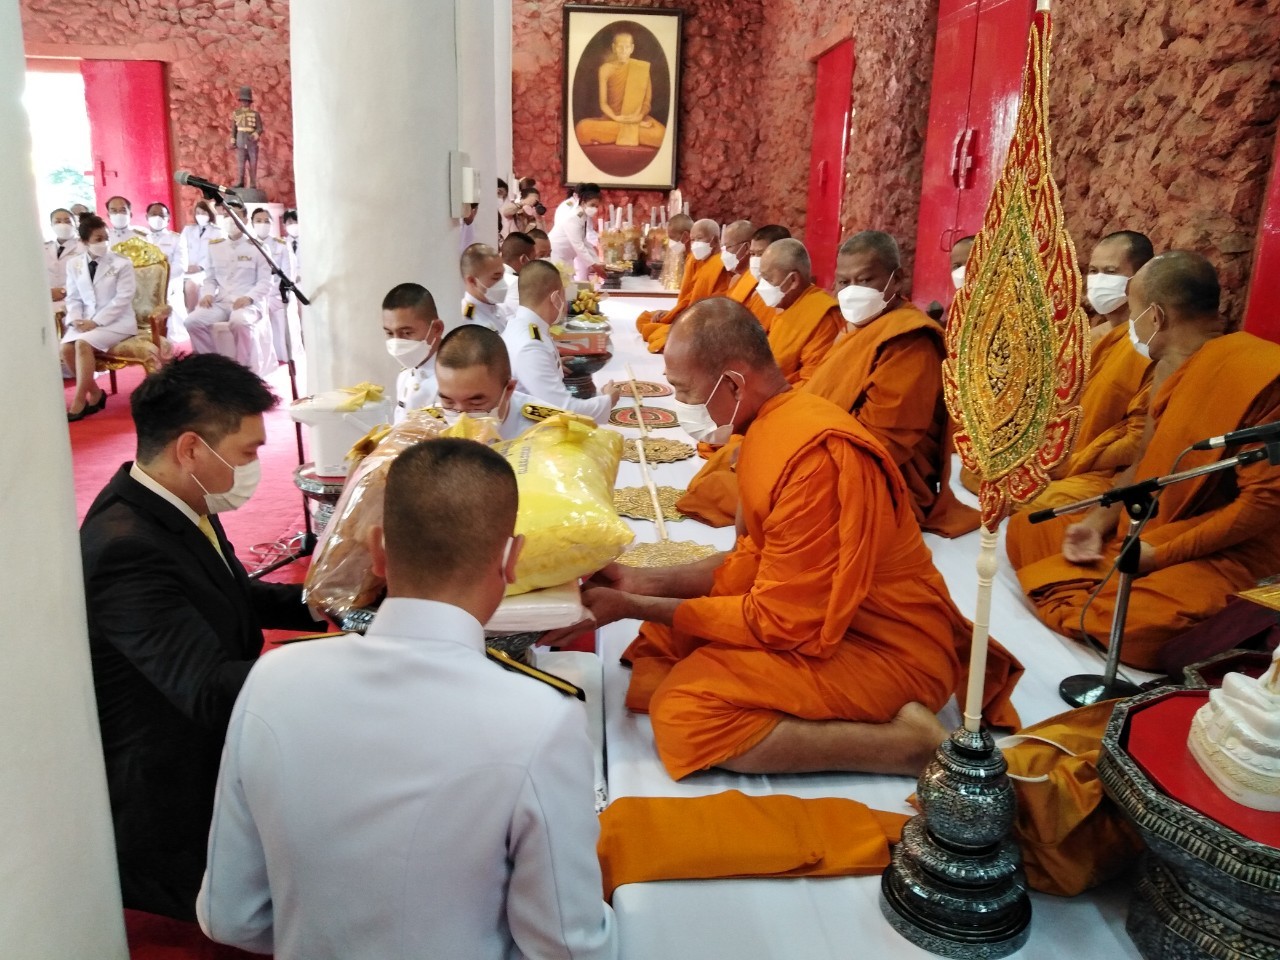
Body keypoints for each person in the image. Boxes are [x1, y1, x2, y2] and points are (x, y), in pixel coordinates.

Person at [553, 299, 1019, 780]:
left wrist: (632, 606)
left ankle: (905, 747)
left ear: (733, 383)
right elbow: (752, 561)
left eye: (685, 391)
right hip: (828, 621)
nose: (681, 405)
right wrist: (641, 581)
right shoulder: (772, 424)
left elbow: (782, 622)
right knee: (673, 638)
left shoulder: (817, 458)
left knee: (686, 713)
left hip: (888, 649)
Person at [196, 438, 617, 959]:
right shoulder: (539, 721)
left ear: (377, 550)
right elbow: (568, 947)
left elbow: (230, 915)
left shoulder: (273, 680)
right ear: (512, 560)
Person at [81, 353, 324, 919]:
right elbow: (209, 690)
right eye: (248, 452)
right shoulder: (125, 546)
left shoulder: (178, 499)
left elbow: (236, 597)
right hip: (174, 799)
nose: (255, 466)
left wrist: (335, 603)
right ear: (191, 449)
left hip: (215, 743)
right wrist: (336, 667)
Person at [1008, 251, 1280, 670]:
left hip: (1225, 548)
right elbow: (1143, 464)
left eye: (1133, 312)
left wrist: (1160, 554)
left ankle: (1087, 599)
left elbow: (1261, 507)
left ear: (1155, 315)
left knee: (1141, 622)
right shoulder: (1167, 366)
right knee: (1029, 525)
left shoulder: (1261, 376)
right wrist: (1101, 520)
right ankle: (1089, 591)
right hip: (1148, 524)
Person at [1006, 230, 1156, 513]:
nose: (1098, 281)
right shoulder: (1088, 335)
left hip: (1100, 470)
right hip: (1059, 453)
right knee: (986, 470)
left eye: (1110, 272)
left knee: (1040, 504)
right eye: (1093, 271)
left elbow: (1137, 441)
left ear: (1140, 277)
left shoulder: (1150, 346)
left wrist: (1073, 463)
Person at [503, 259, 622, 423]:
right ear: (555, 297)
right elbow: (561, 409)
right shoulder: (531, 345)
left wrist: (553, 364)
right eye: (565, 295)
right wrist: (608, 400)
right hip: (529, 433)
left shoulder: (519, 326)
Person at [185, 199, 277, 375]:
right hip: (222, 301)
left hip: (249, 301)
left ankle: (243, 370)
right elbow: (210, 278)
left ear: (245, 220)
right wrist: (208, 294)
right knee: (192, 321)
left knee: (239, 322)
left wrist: (249, 297)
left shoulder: (258, 247)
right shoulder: (215, 246)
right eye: (226, 215)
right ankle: (211, 365)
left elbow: (265, 282)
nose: (230, 219)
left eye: (235, 215)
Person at [61, 214, 137, 420]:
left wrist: (96, 322)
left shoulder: (122, 263)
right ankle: (95, 392)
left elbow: (123, 298)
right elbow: (73, 297)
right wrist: (76, 318)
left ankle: (78, 400)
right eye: (97, 239)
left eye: (105, 237)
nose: (103, 242)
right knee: (65, 348)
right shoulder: (74, 264)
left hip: (117, 322)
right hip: (86, 321)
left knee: (82, 344)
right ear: (85, 242)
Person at [434, 324, 558, 440]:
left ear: (509, 389)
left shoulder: (549, 429)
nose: (461, 419)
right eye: (448, 402)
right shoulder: (427, 426)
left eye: (475, 403)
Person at [753, 237, 842, 385]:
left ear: (793, 280)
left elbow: (813, 382)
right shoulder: (786, 306)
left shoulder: (821, 316)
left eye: (768, 279)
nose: (762, 286)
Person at [638, 217, 731, 351]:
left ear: (715, 240)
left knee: (652, 330)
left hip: (703, 323)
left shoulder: (720, 265)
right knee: (645, 319)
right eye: (693, 240)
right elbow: (690, 297)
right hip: (688, 315)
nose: (694, 244)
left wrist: (676, 317)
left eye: (699, 239)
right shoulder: (700, 260)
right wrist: (671, 314)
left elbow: (714, 305)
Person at [575, 29, 666, 149]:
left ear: (632, 48)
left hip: (636, 116)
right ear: (614, 48)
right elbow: (603, 104)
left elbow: (646, 103)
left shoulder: (641, 68)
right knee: (582, 129)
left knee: (662, 134)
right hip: (611, 118)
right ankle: (634, 129)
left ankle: (611, 134)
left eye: (627, 47)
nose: (623, 51)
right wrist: (617, 119)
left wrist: (638, 117)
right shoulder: (605, 69)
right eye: (620, 47)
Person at [382, 282, 445, 423]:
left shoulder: (458, 374)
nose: (397, 342)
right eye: (390, 333)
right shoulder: (405, 375)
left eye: (406, 332)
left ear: (437, 328)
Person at [727, 222, 788, 329]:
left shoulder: (781, 293)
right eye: (752, 254)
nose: (755, 259)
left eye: (761, 254)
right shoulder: (744, 279)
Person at [250, 206, 292, 361]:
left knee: (280, 313)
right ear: (252, 223)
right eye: (258, 221)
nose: (262, 224)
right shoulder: (248, 245)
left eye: (266, 221)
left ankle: (283, 354)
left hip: (276, 293)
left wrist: (274, 292)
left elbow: (287, 273)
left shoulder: (280, 244)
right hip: (255, 295)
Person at [142, 201, 190, 334]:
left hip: (169, 284)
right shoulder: (140, 238)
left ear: (168, 219)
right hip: (144, 283)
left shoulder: (176, 239)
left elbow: (181, 265)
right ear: (146, 217)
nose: (157, 217)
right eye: (153, 214)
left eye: (161, 215)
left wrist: (160, 279)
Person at [549, 183, 608, 281]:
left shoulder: (581, 215)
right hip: (557, 253)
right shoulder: (574, 217)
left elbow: (584, 241)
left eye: (597, 206)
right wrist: (594, 265)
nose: (595, 209)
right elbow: (578, 244)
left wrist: (597, 261)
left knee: (570, 283)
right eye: (592, 205)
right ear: (583, 202)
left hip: (567, 255)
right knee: (563, 284)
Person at [180, 200, 223, 312]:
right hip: (186, 269)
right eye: (198, 213)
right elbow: (181, 250)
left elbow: (216, 254)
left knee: (191, 285)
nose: (200, 216)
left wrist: (200, 267)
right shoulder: (188, 230)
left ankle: (192, 313)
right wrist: (185, 266)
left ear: (210, 214)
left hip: (204, 271)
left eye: (203, 213)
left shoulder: (217, 232)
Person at [460, 242, 509, 332]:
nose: (502, 283)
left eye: (502, 276)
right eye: (496, 277)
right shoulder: (468, 321)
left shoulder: (500, 307)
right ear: (472, 281)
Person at [44, 207, 81, 308]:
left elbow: (89, 275)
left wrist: (64, 291)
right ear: (52, 225)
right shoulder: (44, 248)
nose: (63, 225)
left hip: (76, 301)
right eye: (58, 221)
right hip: (48, 302)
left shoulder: (85, 248)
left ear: (75, 224)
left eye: (67, 221)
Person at [230, 85, 262, 190]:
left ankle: (253, 183)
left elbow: (259, 128)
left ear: (250, 102)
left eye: (247, 100)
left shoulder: (255, 114)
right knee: (240, 163)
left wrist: (254, 135)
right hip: (240, 140)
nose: (245, 102)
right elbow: (234, 128)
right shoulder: (236, 113)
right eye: (243, 100)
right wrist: (233, 140)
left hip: (251, 142)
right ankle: (240, 182)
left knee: (253, 163)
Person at [499, 230, 535, 320]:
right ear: (523, 259)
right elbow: (526, 317)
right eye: (533, 260)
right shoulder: (516, 283)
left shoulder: (491, 277)